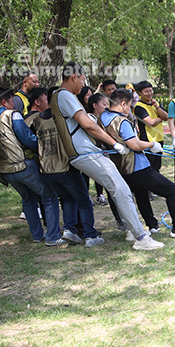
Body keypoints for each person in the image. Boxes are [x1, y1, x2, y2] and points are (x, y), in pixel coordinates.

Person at [51, 62, 163, 250]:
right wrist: (115, 144)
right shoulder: (64, 95)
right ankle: (141, 238)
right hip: (85, 153)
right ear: (74, 77)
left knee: (120, 189)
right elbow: (87, 124)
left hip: (85, 152)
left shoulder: (59, 96)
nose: (83, 83)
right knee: (121, 190)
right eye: (83, 78)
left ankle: (132, 231)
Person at [99, 88, 175, 239]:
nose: (130, 109)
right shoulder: (121, 121)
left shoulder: (103, 117)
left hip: (121, 168)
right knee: (172, 190)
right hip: (136, 166)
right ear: (123, 103)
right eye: (130, 106)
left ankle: (152, 225)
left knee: (141, 194)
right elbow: (134, 144)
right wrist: (152, 145)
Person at [0, 87, 62, 245]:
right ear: (4, 101)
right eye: (11, 100)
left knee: (28, 200)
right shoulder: (12, 115)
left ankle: (37, 235)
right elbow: (27, 138)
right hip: (24, 166)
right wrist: (41, 151)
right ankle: (53, 236)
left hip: (5, 170)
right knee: (49, 197)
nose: (13, 104)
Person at [31, 88, 104, 247]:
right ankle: (90, 236)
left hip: (47, 170)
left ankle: (69, 229)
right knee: (84, 201)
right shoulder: (61, 117)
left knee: (68, 198)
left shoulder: (37, 120)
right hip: (65, 166)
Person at [134, 81, 168, 176]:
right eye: (146, 92)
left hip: (159, 138)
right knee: (149, 167)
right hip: (147, 140)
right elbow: (151, 123)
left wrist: (157, 107)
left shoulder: (155, 103)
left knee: (157, 167)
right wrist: (160, 118)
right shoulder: (139, 107)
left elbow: (166, 117)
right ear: (140, 93)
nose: (149, 94)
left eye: (150, 91)